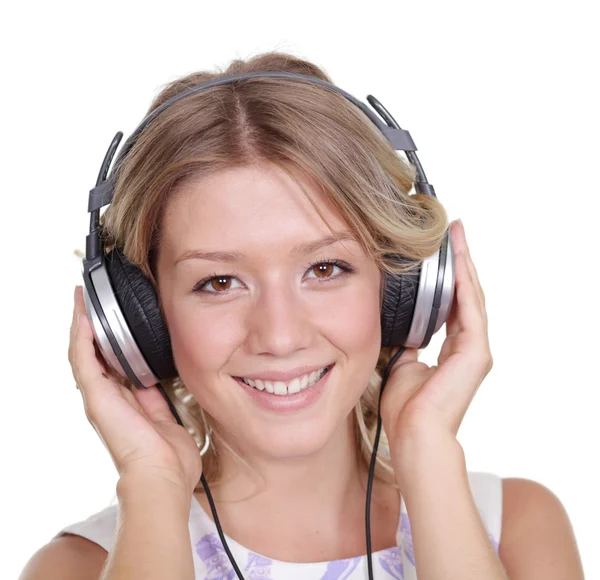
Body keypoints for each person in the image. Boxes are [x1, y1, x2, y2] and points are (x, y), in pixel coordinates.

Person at [19, 52, 583, 580]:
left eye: (326, 268)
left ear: (403, 286)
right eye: (219, 282)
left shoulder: (516, 531)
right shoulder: (79, 567)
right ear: (139, 319)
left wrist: (429, 453)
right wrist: (152, 486)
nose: (281, 336)